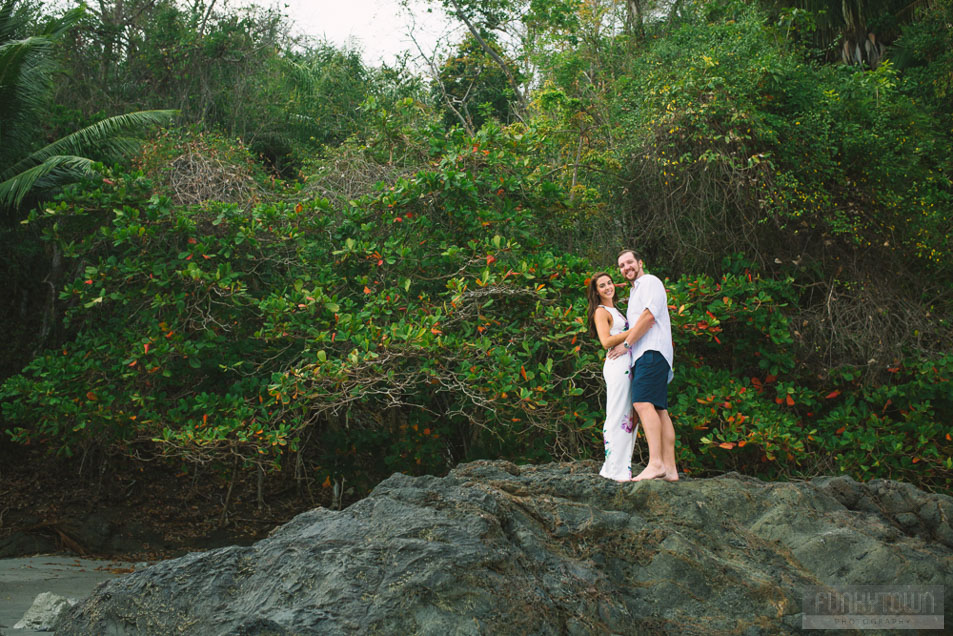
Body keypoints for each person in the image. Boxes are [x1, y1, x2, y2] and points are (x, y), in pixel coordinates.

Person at [607, 250, 679, 482]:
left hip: (650, 351)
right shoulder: (636, 290)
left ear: (640, 262)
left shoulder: (649, 282)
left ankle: (655, 463)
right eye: (621, 265)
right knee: (659, 409)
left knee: (642, 403)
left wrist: (626, 345)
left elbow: (648, 318)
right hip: (654, 354)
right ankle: (670, 468)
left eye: (629, 262)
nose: (626, 267)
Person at [586, 272, 638, 481]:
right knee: (618, 414)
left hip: (627, 364)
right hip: (617, 366)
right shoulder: (601, 311)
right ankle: (613, 469)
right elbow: (606, 341)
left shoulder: (615, 309)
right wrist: (635, 330)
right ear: (596, 291)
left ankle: (621, 468)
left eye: (609, 283)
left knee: (630, 416)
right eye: (602, 285)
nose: (608, 287)